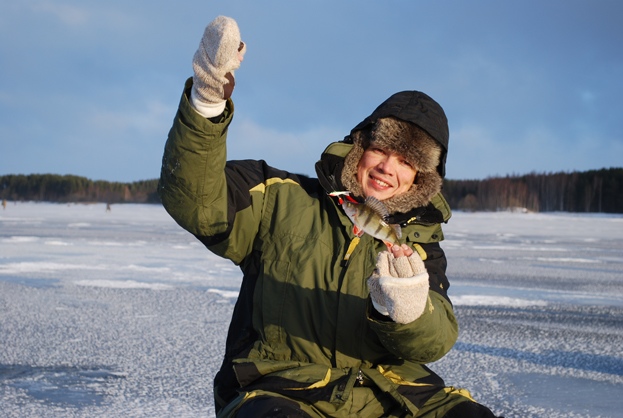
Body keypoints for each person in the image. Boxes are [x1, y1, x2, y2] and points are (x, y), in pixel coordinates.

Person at [159, 16, 501, 418]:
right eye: (381, 150)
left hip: (395, 395)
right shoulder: (281, 198)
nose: (387, 168)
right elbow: (197, 201)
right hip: (285, 389)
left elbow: (434, 342)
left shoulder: (421, 242)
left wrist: (409, 313)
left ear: (420, 178)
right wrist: (207, 100)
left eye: (406, 161)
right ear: (360, 146)